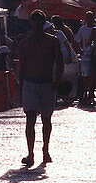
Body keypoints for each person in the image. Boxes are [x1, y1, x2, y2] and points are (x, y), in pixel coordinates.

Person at [17, 11, 63, 166]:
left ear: (44, 22)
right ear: (31, 22)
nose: (36, 22)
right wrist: (20, 86)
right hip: (30, 83)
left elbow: (59, 62)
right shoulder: (25, 42)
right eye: (34, 19)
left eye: (39, 19)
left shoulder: (52, 41)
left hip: (47, 83)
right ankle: (30, 154)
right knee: (30, 118)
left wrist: (57, 81)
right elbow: (22, 66)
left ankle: (45, 149)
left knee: (46, 119)